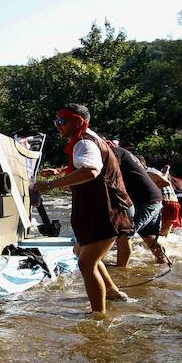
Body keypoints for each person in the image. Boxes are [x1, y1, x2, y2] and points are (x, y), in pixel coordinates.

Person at [35, 104, 132, 314]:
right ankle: (113, 292)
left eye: (62, 121)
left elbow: (89, 171)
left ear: (78, 121)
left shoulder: (83, 142)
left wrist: (51, 185)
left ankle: (99, 318)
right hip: (99, 212)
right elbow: (84, 172)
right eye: (56, 122)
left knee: (86, 264)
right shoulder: (88, 138)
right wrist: (61, 175)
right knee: (81, 252)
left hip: (105, 213)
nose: (58, 126)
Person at [109, 143, 166, 266]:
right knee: (148, 237)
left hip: (145, 201)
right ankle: (163, 262)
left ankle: (121, 272)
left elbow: (110, 172)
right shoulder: (125, 153)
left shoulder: (115, 152)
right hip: (152, 199)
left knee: (124, 236)